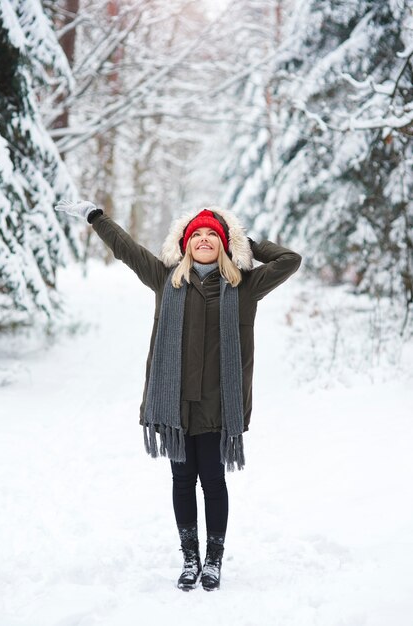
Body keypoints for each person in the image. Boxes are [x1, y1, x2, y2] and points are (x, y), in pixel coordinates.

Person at [54, 199, 302, 591]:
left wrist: (248, 243)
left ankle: (213, 561)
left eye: (213, 235)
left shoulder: (245, 285)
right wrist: (95, 218)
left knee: (213, 481)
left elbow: (290, 259)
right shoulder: (166, 279)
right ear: (185, 244)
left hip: (218, 404)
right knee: (182, 481)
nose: (204, 240)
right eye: (197, 235)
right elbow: (127, 250)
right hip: (175, 405)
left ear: (223, 244)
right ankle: (190, 559)